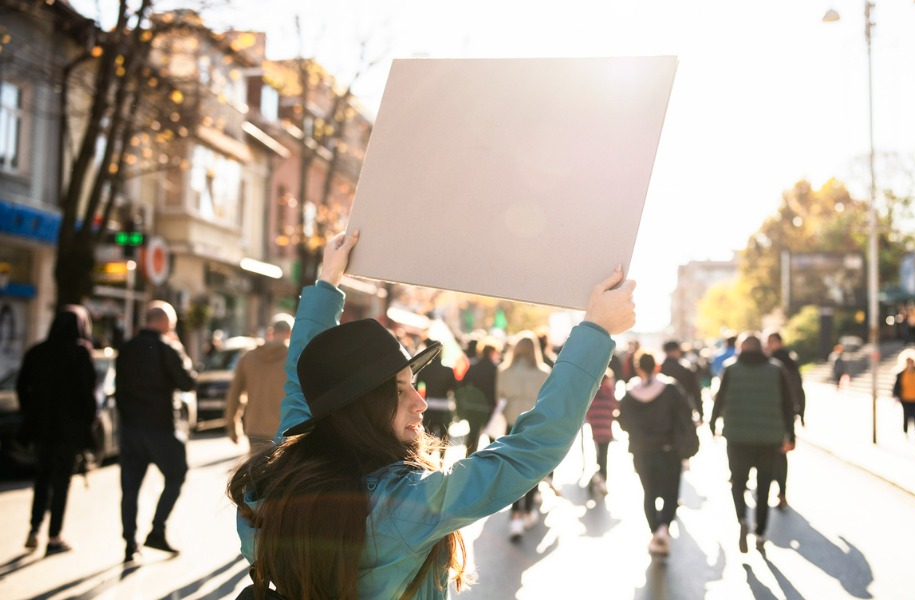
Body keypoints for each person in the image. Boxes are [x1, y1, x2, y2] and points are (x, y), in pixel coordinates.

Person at [227, 231, 636, 599]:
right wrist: (595, 331)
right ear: (359, 411)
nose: (419, 402)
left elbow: (303, 387)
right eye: (400, 390)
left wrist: (327, 283)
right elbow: (529, 450)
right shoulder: (405, 505)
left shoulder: (276, 482)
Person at [116, 300, 197, 563]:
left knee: (130, 489)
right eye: (172, 323)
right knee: (177, 474)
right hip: (161, 428)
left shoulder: (126, 348)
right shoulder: (167, 348)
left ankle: (130, 544)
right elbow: (187, 382)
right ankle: (157, 530)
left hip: (130, 429)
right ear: (163, 322)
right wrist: (180, 350)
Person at [16, 306, 97, 555]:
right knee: (61, 483)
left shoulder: (38, 352)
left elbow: (21, 387)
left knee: (42, 479)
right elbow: (88, 396)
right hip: (67, 433)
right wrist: (87, 427)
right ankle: (54, 537)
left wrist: (32, 412)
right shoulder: (81, 353)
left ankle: (34, 529)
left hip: (42, 430)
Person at [709, 332, 796, 554]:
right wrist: (790, 434)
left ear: (741, 348)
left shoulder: (730, 368)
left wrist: (713, 423)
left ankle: (741, 519)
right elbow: (788, 404)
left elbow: (720, 399)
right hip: (770, 438)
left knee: (738, 481)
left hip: (737, 438)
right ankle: (760, 532)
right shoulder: (776, 369)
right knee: (764, 486)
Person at [618, 350, 692, 556]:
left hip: (642, 450)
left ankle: (655, 531)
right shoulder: (670, 389)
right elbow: (685, 415)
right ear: (656, 366)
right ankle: (663, 528)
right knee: (670, 491)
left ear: (637, 367)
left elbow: (622, 422)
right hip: (669, 448)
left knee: (649, 492)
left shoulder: (629, 393)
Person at [496, 330, 551, 541]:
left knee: (512, 468)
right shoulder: (544, 372)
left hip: (511, 423)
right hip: (533, 426)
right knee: (531, 468)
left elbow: (499, 397)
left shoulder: (503, 371)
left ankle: (515, 513)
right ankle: (528, 509)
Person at [225, 313, 294, 453]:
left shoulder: (248, 357)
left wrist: (233, 426)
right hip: (284, 428)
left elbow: (235, 394)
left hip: (255, 427)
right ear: (290, 332)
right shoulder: (294, 357)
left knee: (257, 472)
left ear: (272, 331)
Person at [764, 330, 805, 510]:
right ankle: (780, 490)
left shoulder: (777, 363)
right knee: (778, 455)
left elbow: (797, 388)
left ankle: (780, 491)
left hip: (778, 414)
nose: (769, 345)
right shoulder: (783, 360)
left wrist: (801, 412)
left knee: (777, 454)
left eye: (771, 342)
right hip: (781, 413)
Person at [457, 336, 501, 456]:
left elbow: (462, 384)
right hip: (490, 406)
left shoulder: (473, 366)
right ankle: (493, 461)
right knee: (492, 437)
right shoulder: (496, 368)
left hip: (474, 406)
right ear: (493, 352)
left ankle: (468, 460)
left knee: (472, 437)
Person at [415, 339, 457, 456]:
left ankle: (427, 461)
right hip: (444, 406)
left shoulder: (425, 369)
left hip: (430, 404)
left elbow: (417, 387)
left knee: (428, 435)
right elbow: (454, 388)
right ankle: (442, 460)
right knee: (444, 435)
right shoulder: (448, 370)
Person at [585, 368, 618, 496]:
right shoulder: (609, 391)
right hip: (606, 428)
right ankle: (601, 478)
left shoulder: (592, 392)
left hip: (595, 427)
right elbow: (615, 406)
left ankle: (597, 476)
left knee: (599, 453)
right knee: (604, 455)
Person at [660, 340, 702, 422]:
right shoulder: (686, 368)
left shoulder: (659, 369)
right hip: (684, 409)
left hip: (664, 411)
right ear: (677, 350)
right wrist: (700, 412)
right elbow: (696, 391)